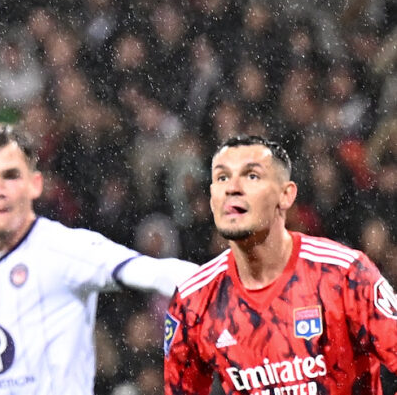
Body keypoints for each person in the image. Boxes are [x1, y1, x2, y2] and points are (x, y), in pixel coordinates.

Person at [0, 122, 197, 395]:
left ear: (35, 184)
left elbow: (154, 272)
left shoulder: (69, 249)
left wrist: (229, 286)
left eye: (11, 175)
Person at [163, 135, 397, 394]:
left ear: (286, 195)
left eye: (251, 176)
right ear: (211, 199)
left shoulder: (345, 275)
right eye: (222, 178)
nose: (232, 188)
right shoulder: (193, 301)